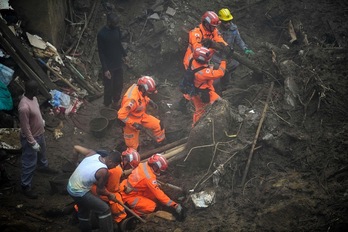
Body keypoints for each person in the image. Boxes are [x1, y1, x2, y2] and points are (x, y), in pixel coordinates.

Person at [18, 80, 56, 199]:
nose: (38, 91)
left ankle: (43, 167)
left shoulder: (33, 99)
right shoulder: (23, 107)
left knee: (42, 153)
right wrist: (32, 142)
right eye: (36, 89)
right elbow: (25, 127)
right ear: (31, 90)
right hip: (32, 137)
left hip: (40, 133)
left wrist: (41, 121)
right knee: (29, 162)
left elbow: (37, 112)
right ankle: (25, 185)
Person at [67, 145, 119, 232]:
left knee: (83, 210)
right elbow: (100, 190)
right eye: (115, 165)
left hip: (70, 185)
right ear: (110, 161)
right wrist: (110, 195)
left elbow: (76, 147)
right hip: (79, 192)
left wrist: (75, 164)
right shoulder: (104, 171)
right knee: (104, 209)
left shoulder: (92, 154)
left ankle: (85, 230)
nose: (114, 167)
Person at [89, 148, 141, 225]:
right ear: (126, 161)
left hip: (91, 184)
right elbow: (113, 189)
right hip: (96, 189)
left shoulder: (114, 162)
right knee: (116, 197)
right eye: (130, 166)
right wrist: (124, 188)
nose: (129, 169)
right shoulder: (116, 170)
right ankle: (119, 219)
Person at [117, 76, 165, 151]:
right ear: (143, 89)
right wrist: (133, 123)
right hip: (130, 121)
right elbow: (121, 115)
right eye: (148, 92)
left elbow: (142, 97)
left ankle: (160, 143)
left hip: (141, 115)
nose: (149, 94)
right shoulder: (131, 100)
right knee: (133, 148)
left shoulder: (140, 89)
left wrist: (149, 101)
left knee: (159, 125)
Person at [185, 46, 226, 125]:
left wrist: (213, 49)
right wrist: (224, 61)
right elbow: (221, 72)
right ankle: (213, 122)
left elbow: (202, 54)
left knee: (199, 110)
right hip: (204, 92)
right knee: (221, 103)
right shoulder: (204, 73)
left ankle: (195, 126)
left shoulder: (190, 60)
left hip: (193, 90)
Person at [97, 12, 128, 109]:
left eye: (117, 24)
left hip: (118, 62)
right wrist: (105, 69)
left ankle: (115, 103)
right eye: (114, 24)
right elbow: (101, 53)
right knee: (109, 87)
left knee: (119, 84)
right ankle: (107, 105)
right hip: (109, 65)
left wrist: (125, 55)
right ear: (109, 22)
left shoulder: (117, 29)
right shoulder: (101, 34)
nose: (116, 25)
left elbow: (119, 43)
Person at [218, 8, 255, 87]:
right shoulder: (215, 29)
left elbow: (239, 41)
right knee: (217, 70)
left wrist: (245, 49)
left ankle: (226, 83)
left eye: (229, 21)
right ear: (220, 20)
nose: (228, 23)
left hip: (228, 54)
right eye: (225, 22)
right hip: (216, 54)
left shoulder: (233, 29)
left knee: (234, 64)